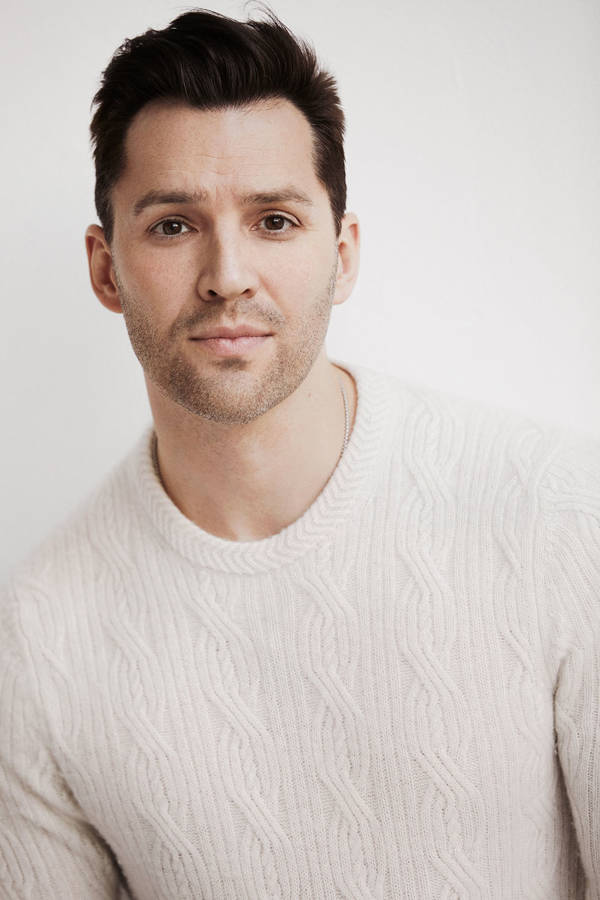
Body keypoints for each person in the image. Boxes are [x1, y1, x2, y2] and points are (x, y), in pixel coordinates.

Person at [1, 7, 598, 899]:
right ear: (104, 268)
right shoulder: (40, 636)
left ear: (342, 255)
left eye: (274, 220)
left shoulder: (560, 510)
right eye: (172, 226)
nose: (227, 274)